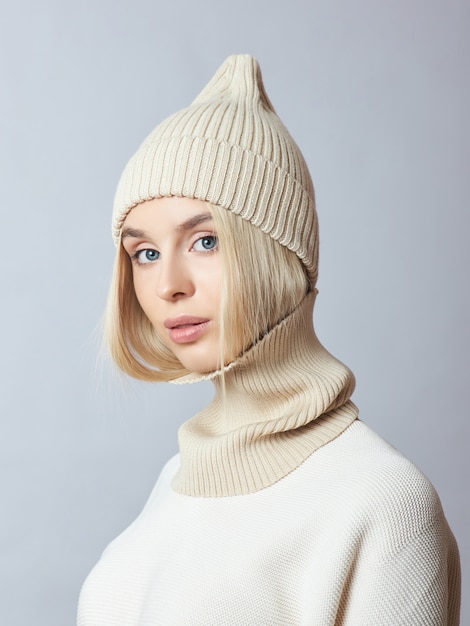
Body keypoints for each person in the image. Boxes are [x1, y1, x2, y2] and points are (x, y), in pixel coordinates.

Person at [77, 54, 461, 625]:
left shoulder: (384, 500)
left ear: (279, 254)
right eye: (146, 253)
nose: (167, 286)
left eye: (205, 241)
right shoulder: (177, 480)